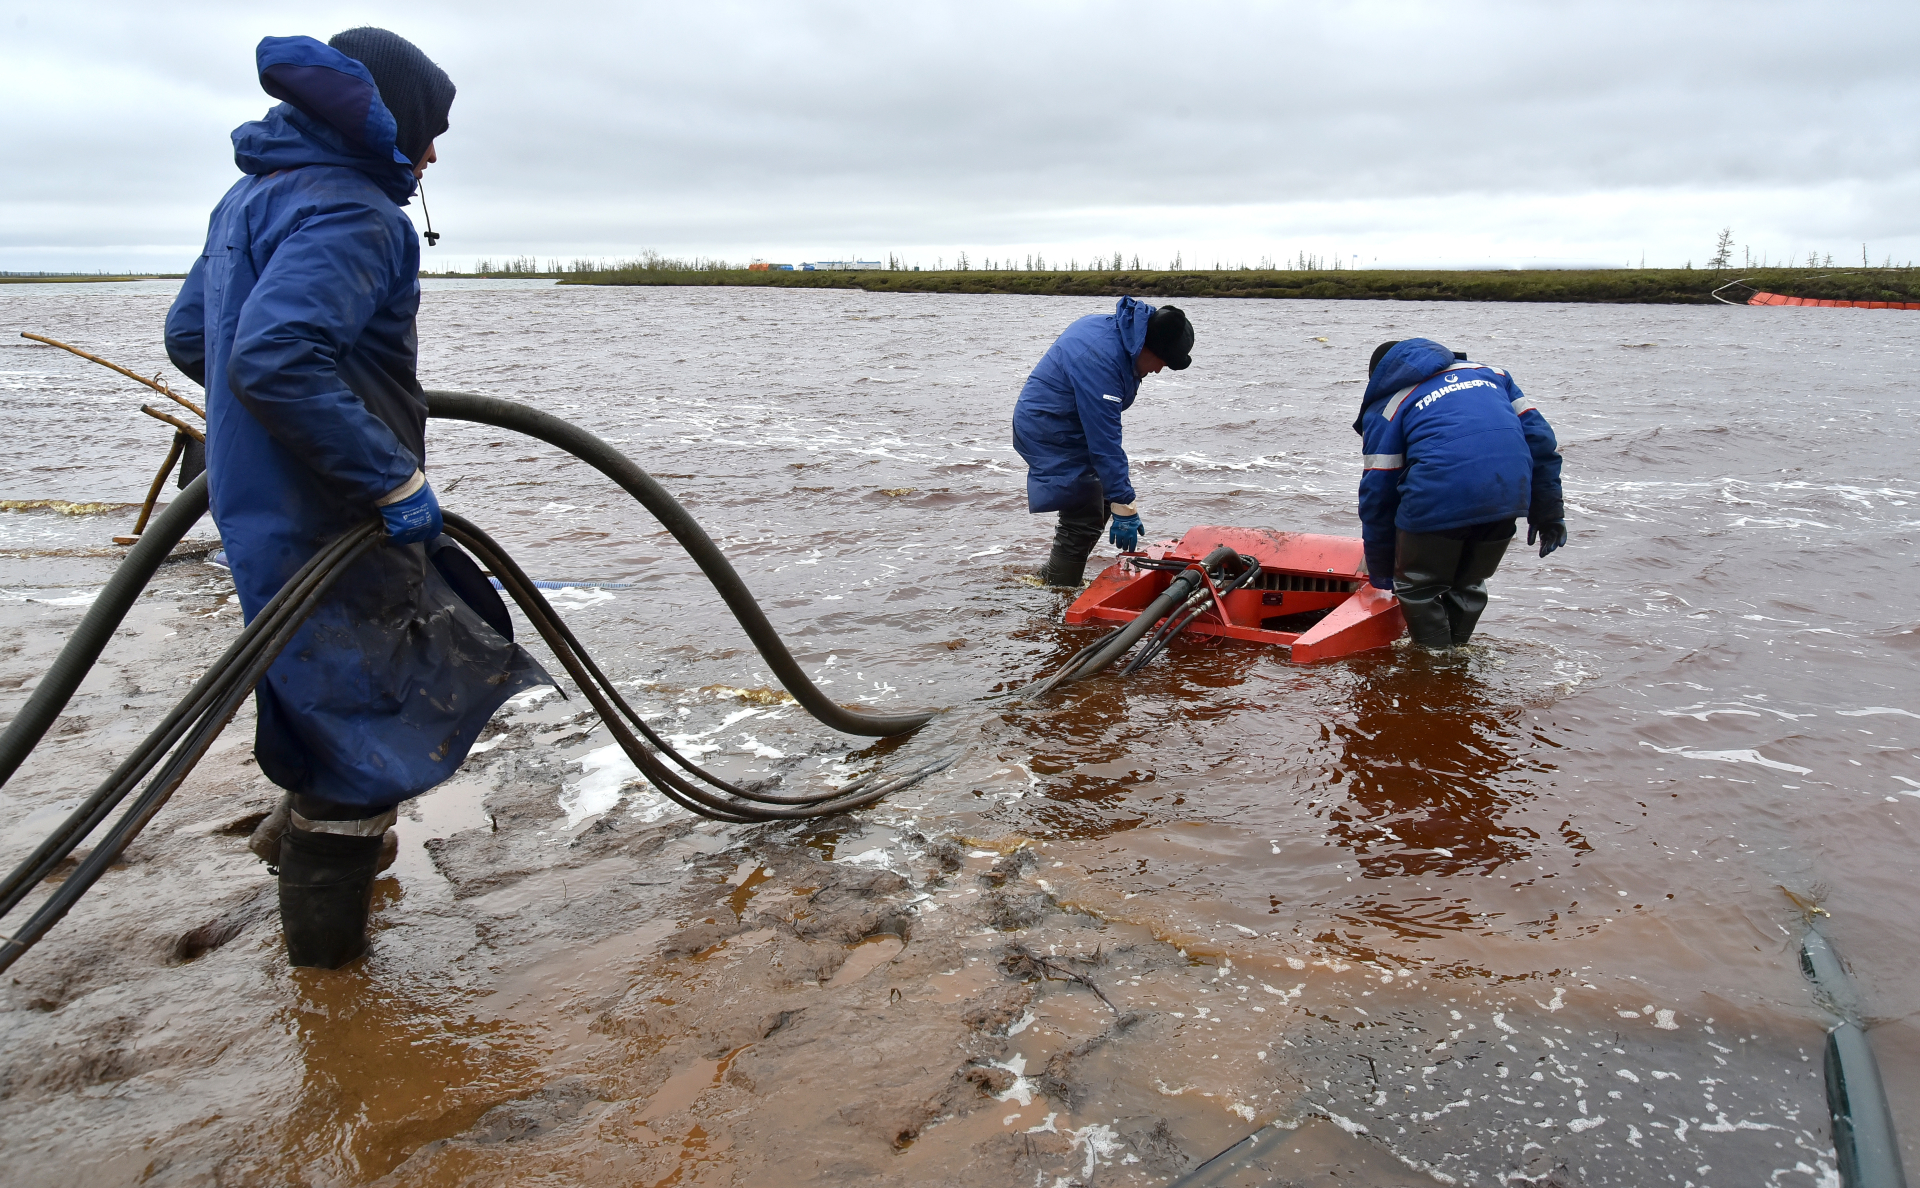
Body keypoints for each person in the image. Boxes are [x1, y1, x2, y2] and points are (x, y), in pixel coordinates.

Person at [164, 31, 548, 968]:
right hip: (336, 513)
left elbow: (191, 340)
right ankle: (331, 993)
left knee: (345, 687)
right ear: (391, 121)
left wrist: (256, 440)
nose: (434, 152)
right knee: (366, 733)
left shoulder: (249, 196)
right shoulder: (359, 216)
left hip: (262, 513)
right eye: (431, 129)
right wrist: (390, 475)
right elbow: (273, 356)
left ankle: (297, 838)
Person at [1354, 338, 1565, 650]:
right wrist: (1549, 513)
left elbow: (1377, 495)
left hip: (1437, 495)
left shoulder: (1391, 404)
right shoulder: (1493, 376)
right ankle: (1459, 660)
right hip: (1507, 496)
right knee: (1468, 583)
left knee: (1418, 587)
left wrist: (1385, 574)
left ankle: (1436, 669)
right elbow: (1541, 443)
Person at [1012, 297, 1194, 586]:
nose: (1160, 370)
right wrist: (1126, 502)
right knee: (1084, 512)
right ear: (1149, 347)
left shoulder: (1122, 334)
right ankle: (1057, 595)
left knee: (1103, 501)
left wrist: (1119, 500)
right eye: (1163, 362)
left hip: (1069, 420)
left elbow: (1103, 436)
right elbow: (1105, 441)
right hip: (1049, 427)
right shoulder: (1102, 361)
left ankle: (1054, 577)